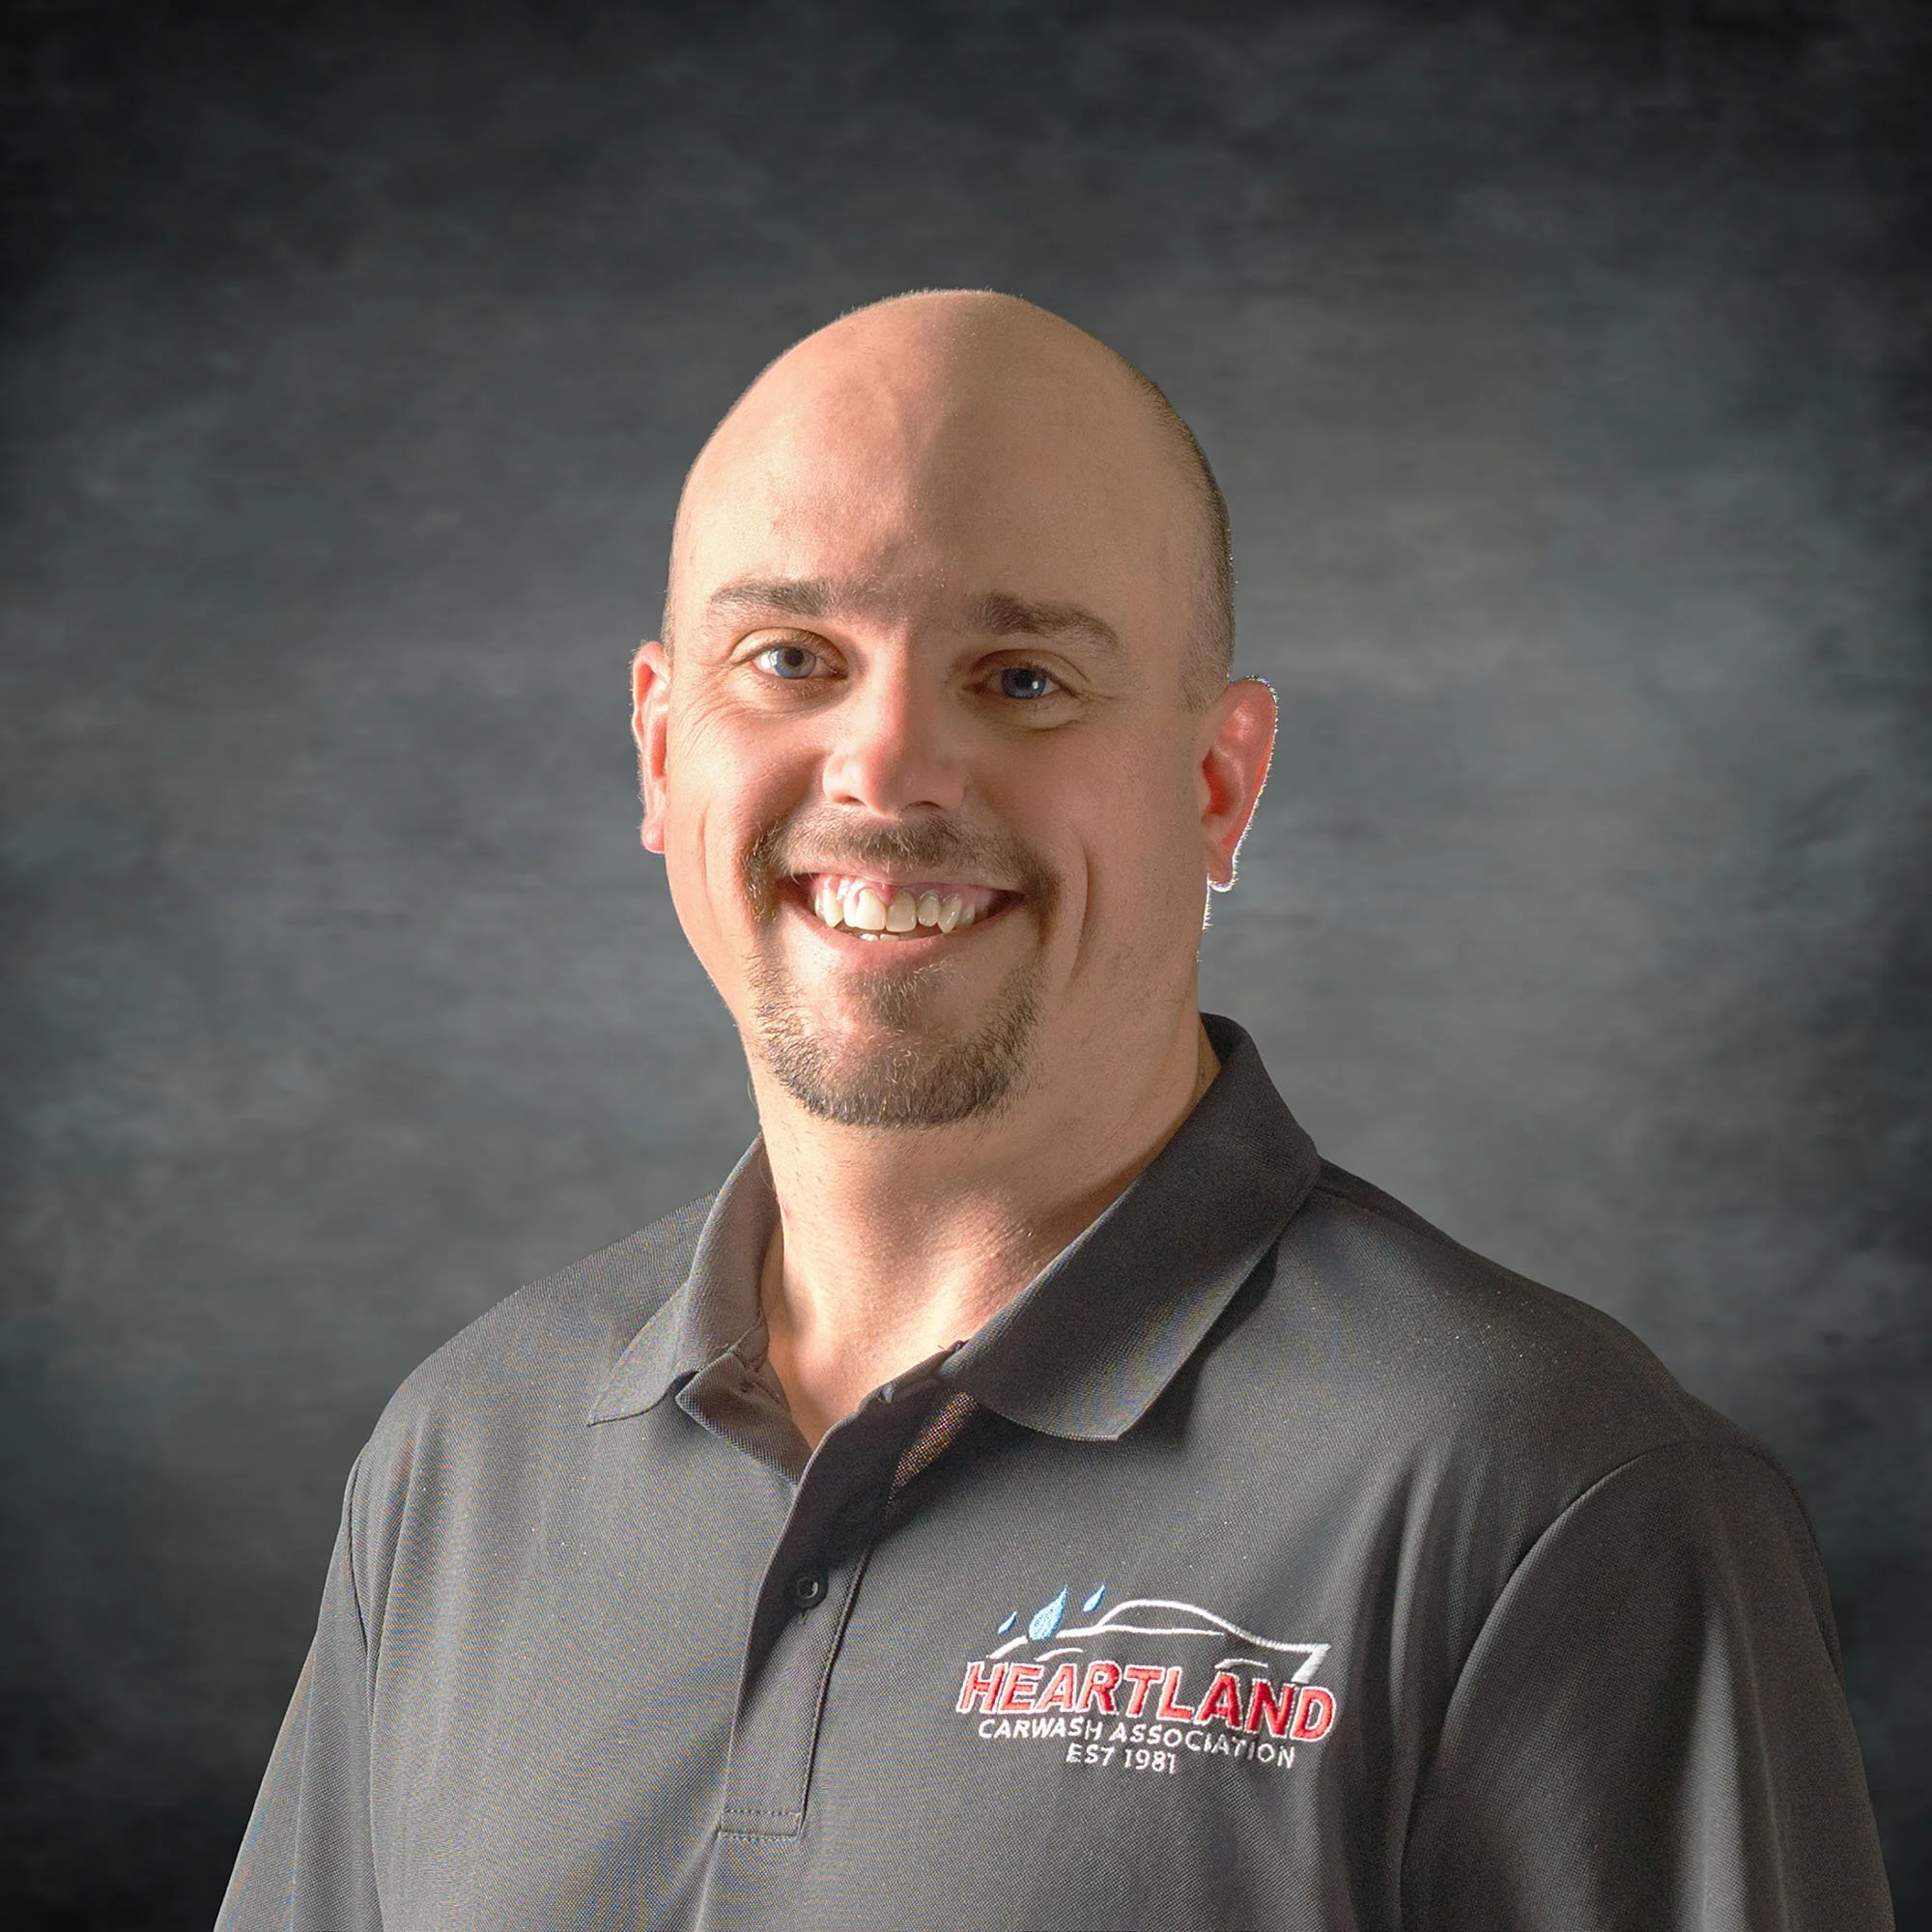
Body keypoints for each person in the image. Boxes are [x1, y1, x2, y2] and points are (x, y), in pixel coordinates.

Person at [217, 291, 1893, 1930]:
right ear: (662, 752)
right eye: (791, 656)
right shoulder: (470, 1453)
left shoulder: (1548, 1499)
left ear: (1219, 780)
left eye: (1020, 679)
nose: (885, 768)